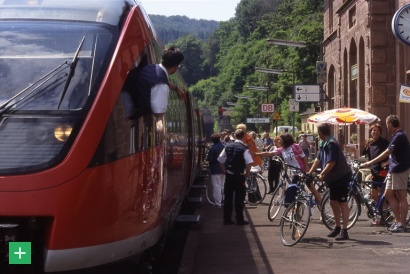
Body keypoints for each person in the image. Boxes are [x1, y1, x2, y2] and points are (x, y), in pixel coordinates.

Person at [362, 115, 410, 232]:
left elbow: (388, 151)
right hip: (393, 170)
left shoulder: (399, 136)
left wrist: (371, 162)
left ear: (390, 124)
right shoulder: (395, 136)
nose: (387, 127)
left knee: (401, 196)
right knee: (388, 194)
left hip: (400, 169)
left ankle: (402, 224)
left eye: (387, 125)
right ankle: (397, 221)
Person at [307, 123, 352, 240]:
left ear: (320, 133)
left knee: (343, 203)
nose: (318, 134)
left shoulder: (332, 144)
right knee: (333, 202)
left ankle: (344, 230)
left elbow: (331, 162)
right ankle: (337, 227)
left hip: (341, 176)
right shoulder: (324, 143)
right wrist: (310, 171)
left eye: (318, 132)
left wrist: (322, 174)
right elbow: (318, 159)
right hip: (333, 178)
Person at [254, 134, 322, 205]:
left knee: (312, 189)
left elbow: (304, 157)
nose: (279, 141)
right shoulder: (282, 149)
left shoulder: (295, 146)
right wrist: (256, 154)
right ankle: (295, 212)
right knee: (293, 192)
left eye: (280, 139)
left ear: (285, 140)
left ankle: (322, 208)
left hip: (302, 171)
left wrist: (307, 171)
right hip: (295, 173)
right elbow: (269, 154)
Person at [136, 46, 186, 129]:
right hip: (137, 114)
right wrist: (160, 127)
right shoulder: (161, 85)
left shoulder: (152, 68)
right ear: (176, 66)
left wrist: (176, 88)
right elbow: (158, 115)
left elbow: (159, 81)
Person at [218, 129, 254, 225]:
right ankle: (239, 219)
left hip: (229, 175)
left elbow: (221, 160)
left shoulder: (227, 146)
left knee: (228, 197)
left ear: (235, 136)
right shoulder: (244, 148)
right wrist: (247, 173)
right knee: (239, 198)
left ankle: (227, 219)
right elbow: (249, 162)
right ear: (244, 136)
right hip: (239, 175)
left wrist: (225, 171)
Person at [206, 133, 226, 208]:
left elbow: (209, 159)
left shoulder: (213, 148)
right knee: (223, 185)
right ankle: (224, 200)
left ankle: (218, 203)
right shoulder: (224, 146)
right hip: (223, 169)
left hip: (215, 169)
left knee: (217, 187)